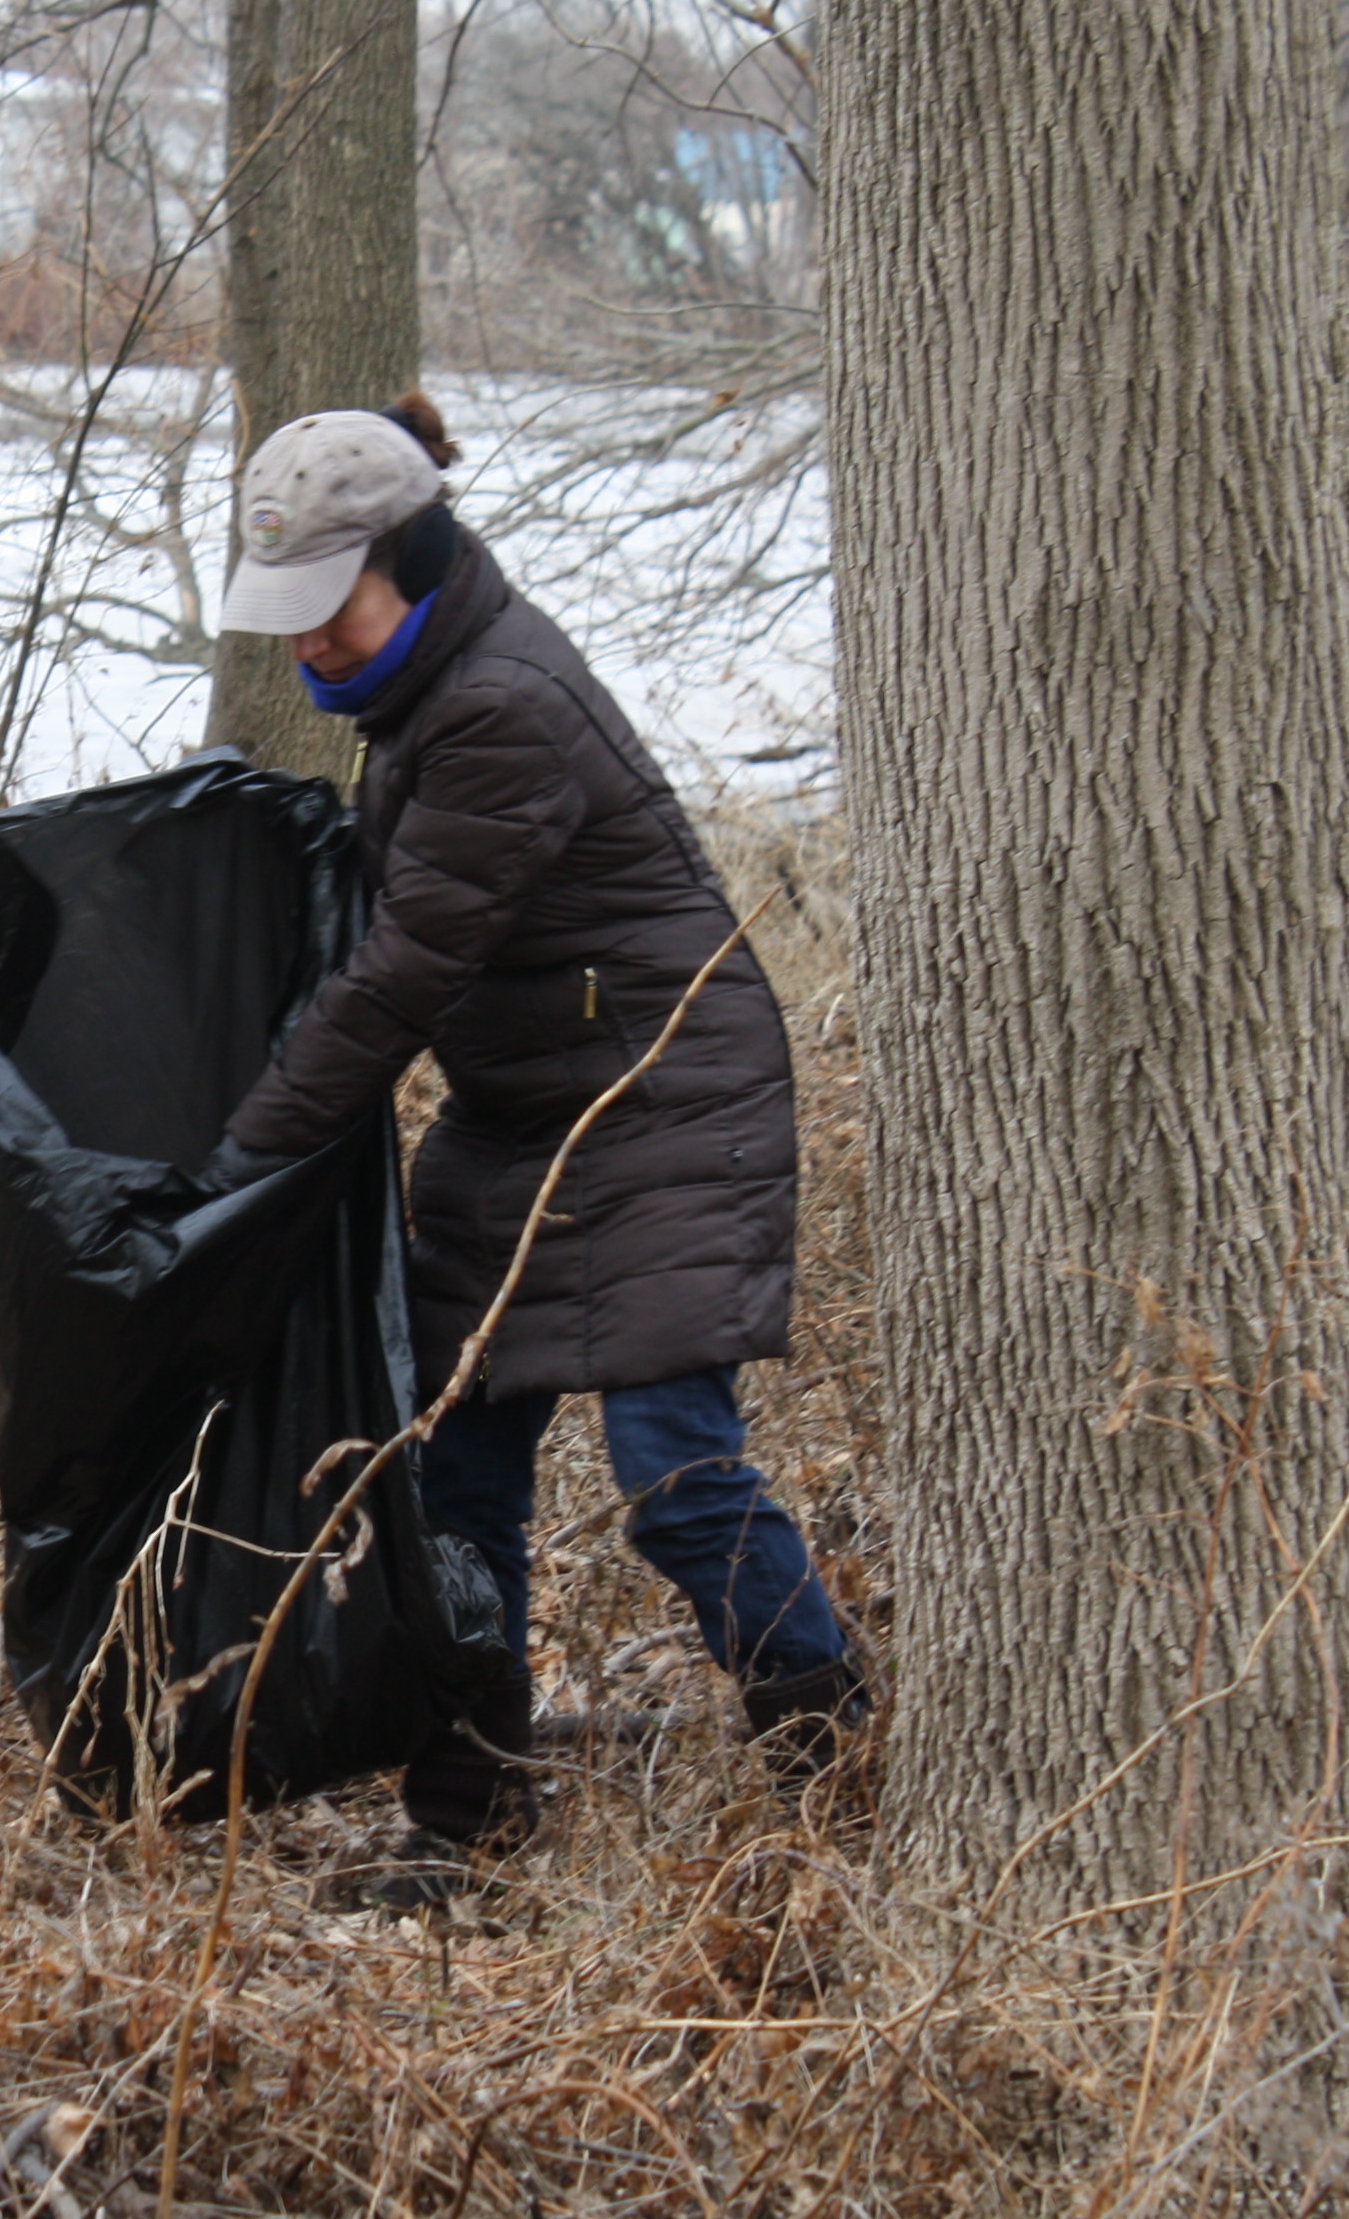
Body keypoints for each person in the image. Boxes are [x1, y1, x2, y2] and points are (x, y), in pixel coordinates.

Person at [208, 392, 863, 1900]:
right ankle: (470, 1833)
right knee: (450, 1473)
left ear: (416, 561)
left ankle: (841, 1767)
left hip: (664, 1102)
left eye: (330, 612)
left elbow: (404, 978)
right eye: (286, 619)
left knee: (674, 1475)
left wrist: (247, 1156)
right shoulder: (422, 693)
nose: (306, 648)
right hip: (527, 1118)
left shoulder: (500, 703)